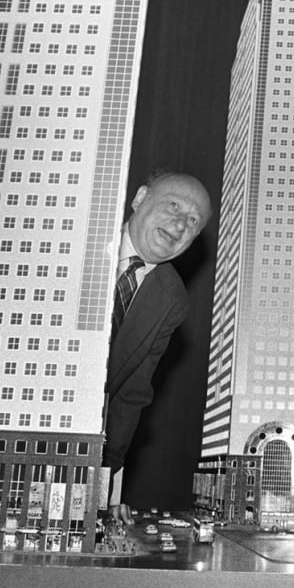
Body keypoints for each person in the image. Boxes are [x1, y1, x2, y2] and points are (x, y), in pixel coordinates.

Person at [103, 170, 211, 522]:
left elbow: (129, 395)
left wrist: (103, 486)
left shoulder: (172, 300)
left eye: (193, 221)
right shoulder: (84, 239)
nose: (180, 225)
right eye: (173, 206)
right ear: (139, 199)